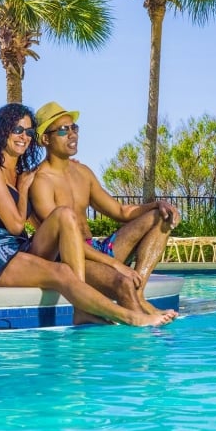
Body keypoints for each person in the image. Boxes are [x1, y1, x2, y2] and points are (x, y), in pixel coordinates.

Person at [0, 103, 172, 327]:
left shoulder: (24, 173)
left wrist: (156, 205)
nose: (24, 136)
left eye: (29, 132)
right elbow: (15, 225)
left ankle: (83, 310)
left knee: (64, 216)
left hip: (18, 248)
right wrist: (23, 191)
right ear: (2, 130)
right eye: (17, 130)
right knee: (62, 271)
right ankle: (130, 316)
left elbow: (34, 226)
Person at [30, 101, 181, 315]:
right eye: (64, 130)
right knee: (122, 283)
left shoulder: (83, 173)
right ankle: (139, 325)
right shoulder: (41, 181)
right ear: (46, 139)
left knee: (160, 217)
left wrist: (157, 205)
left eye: (74, 128)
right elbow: (62, 238)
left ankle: (139, 295)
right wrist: (115, 265)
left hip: (98, 249)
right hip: (73, 258)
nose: (72, 134)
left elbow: (121, 212)